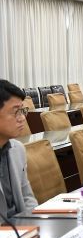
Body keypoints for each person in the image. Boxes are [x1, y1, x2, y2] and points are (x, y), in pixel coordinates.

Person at [0, 80, 38, 217]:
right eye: (16, 112)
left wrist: (35, 222)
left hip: (22, 225)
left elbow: (27, 197)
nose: (22, 118)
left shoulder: (18, 149)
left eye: (22, 111)